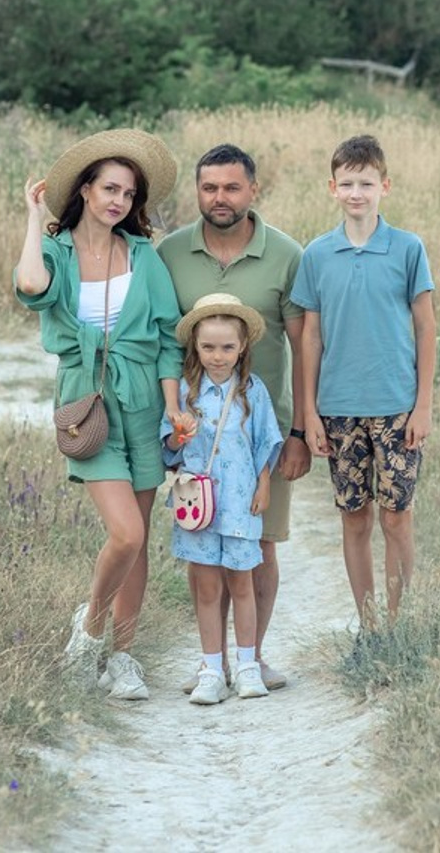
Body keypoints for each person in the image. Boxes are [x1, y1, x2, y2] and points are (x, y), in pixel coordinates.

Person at [14, 128, 184, 700]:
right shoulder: (58, 252)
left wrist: (173, 410)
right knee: (125, 531)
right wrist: (35, 218)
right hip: (87, 402)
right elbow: (31, 286)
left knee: (138, 539)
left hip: (141, 402)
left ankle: (124, 657)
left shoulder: (142, 256)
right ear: (85, 190)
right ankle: (87, 634)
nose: (119, 201)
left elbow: (166, 340)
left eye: (129, 194)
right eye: (109, 188)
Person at [157, 143, 308, 690]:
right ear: (198, 192)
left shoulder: (287, 255)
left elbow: (303, 345)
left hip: (259, 437)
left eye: (231, 187)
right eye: (209, 188)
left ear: (253, 190)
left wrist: (299, 431)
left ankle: (252, 659)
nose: (220, 198)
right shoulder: (170, 254)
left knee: (259, 545)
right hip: (192, 440)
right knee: (202, 552)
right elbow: (159, 340)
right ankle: (210, 664)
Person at [291, 134, 436, 627]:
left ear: (385, 186)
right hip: (338, 406)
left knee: (397, 516)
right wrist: (309, 412)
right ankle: (369, 624)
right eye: (348, 183)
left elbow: (425, 326)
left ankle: (398, 623)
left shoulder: (407, 248)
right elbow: (310, 337)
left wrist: (423, 404)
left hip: (396, 404)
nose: (357, 192)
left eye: (367, 183)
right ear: (332, 188)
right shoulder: (317, 255)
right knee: (355, 516)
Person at [163, 293, 284, 705]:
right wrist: (179, 435)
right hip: (198, 505)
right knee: (208, 588)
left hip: (239, 503)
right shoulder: (185, 391)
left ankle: (248, 665)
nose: (218, 356)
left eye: (227, 347)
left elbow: (264, 441)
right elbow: (171, 446)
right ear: (196, 347)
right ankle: (212, 668)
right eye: (208, 347)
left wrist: (264, 483)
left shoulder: (253, 391)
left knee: (243, 582)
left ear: (243, 346)